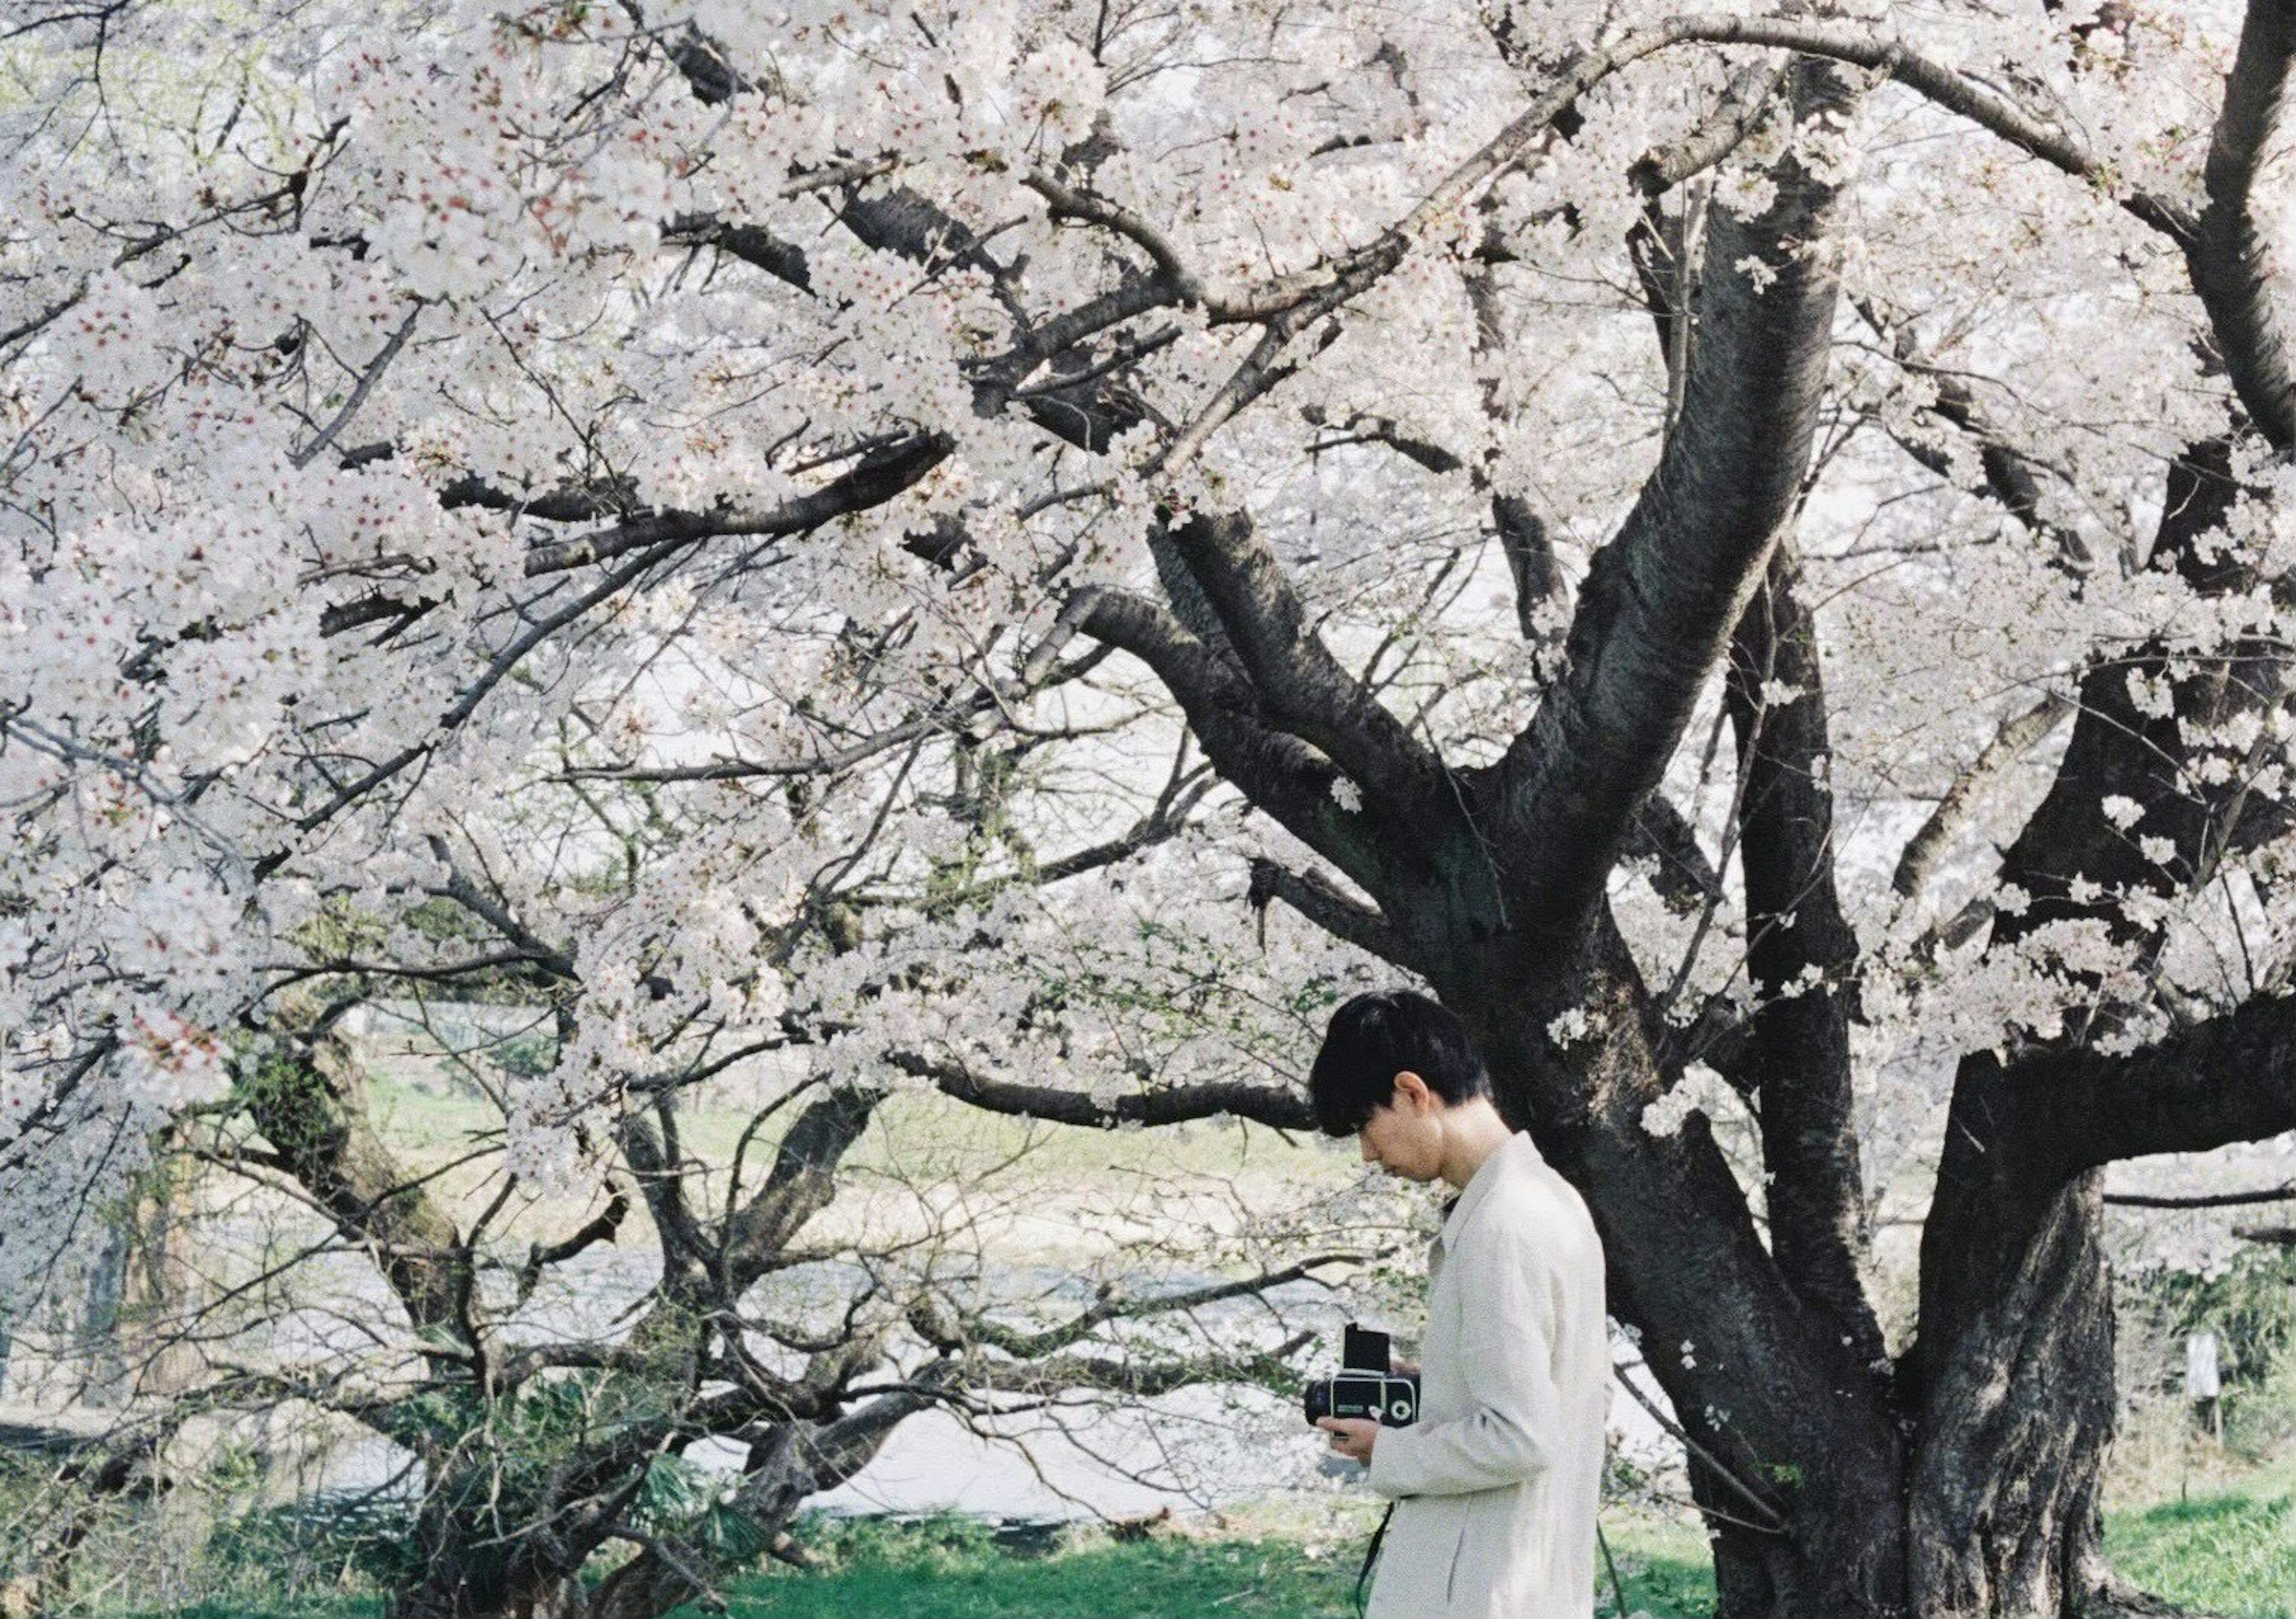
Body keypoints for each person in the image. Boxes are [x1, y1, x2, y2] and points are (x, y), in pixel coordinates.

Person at [1309, 989, 1607, 1619]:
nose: (1368, 1152)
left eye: (1366, 1125)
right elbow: (1540, 1392)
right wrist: (1435, 1384)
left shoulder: (1501, 1223)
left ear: (1414, 1092)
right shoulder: (1550, 1199)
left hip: (1477, 1589)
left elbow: (1521, 1436)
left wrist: (1384, 1449)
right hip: (1527, 1579)